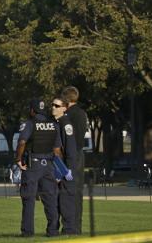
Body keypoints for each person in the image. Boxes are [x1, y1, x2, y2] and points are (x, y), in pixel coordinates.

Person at [15, 99, 61, 237]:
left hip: (33, 164)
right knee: (50, 199)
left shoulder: (29, 124)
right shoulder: (54, 125)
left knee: (29, 198)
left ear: (32, 110)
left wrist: (18, 159)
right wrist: (58, 168)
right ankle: (53, 230)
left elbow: (22, 141)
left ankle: (28, 232)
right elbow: (57, 149)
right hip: (49, 165)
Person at [60, 86, 87, 234]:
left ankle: (69, 226)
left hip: (70, 154)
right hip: (80, 154)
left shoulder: (67, 116)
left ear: (66, 99)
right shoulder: (82, 113)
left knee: (67, 191)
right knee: (77, 191)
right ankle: (77, 226)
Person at [51, 96, 80, 235]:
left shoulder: (65, 124)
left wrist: (68, 169)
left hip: (66, 168)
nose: (53, 107)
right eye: (52, 105)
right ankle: (57, 229)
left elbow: (70, 149)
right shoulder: (56, 123)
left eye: (56, 106)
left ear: (64, 108)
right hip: (58, 166)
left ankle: (69, 229)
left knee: (66, 200)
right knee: (57, 199)